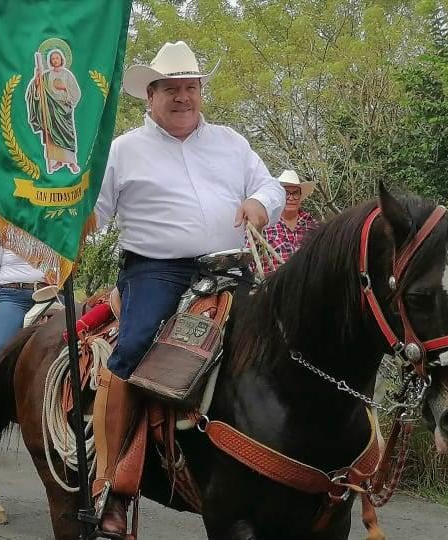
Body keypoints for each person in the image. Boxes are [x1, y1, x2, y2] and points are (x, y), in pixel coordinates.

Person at [89, 41, 285, 536]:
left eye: (190, 87)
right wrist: (69, 213)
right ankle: (112, 482)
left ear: (201, 91)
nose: (182, 97)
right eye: (171, 89)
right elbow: (97, 213)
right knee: (132, 350)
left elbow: (271, 187)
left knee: (285, 340)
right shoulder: (122, 150)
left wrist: (259, 206)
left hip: (230, 266)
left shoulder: (232, 143)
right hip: (156, 269)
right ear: (149, 96)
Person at [0, 233, 47, 376]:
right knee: (1, 348)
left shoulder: (53, 230)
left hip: (49, 294)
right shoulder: (2, 233)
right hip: (11, 295)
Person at [26, 47, 82, 174]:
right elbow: (36, 91)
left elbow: (76, 92)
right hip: (50, 114)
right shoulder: (46, 75)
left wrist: (64, 89)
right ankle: (58, 161)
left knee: (67, 136)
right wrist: (37, 79)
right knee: (52, 137)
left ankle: (72, 163)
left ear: (61, 59)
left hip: (63, 111)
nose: (55, 60)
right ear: (50, 61)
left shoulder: (67, 74)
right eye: (52, 59)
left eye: (57, 58)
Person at [261, 170, 319, 273]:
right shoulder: (265, 225)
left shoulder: (313, 225)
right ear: (279, 196)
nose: (291, 198)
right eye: (286, 193)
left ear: (300, 196)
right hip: (272, 287)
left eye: (295, 193)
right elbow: (251, 263)